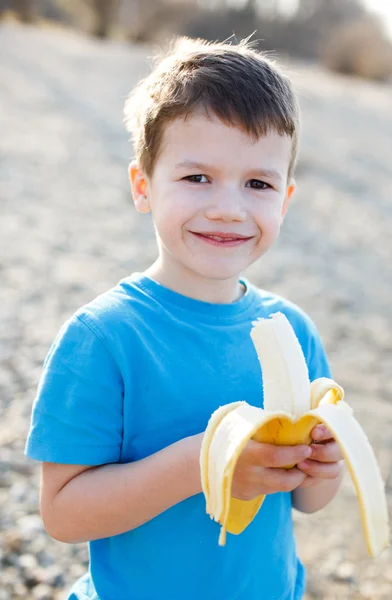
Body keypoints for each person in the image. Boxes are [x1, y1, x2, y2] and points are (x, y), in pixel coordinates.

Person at [25, 36, 344, 600]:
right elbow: (63, 515)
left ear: (285, 199)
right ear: (143, 186)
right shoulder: (104, 338)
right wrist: (206, 459)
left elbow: (307, 501)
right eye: (197, 177)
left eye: (258, 183)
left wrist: (324, 467)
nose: (228, 207)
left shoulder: (294, 332)